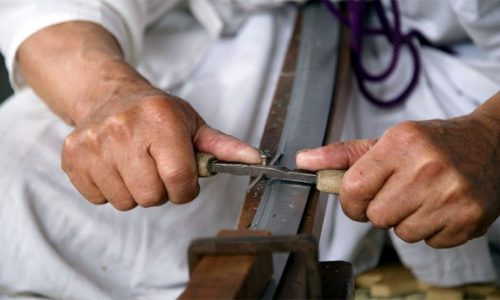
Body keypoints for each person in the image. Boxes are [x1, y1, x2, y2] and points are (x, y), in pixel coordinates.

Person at [0, 0, 498, 299]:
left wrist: (490, 137)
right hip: (251, 40)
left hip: (474, 83)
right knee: (15, 166)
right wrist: (107, 96)